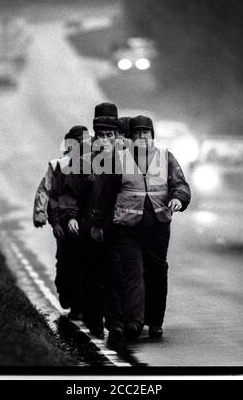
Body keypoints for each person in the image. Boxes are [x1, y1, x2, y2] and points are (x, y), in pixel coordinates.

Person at [91, 115, 191, 341]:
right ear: (131, 137)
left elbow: (181, 185)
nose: (141, 137)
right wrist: (97, 225)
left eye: (145, 133)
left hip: (158, 226)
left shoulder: (166, 158)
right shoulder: (119, 159)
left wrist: (179, 199)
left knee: (157, 272)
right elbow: (106, 196)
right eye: (136, 134)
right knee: (133, 272)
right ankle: (135, 322)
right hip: (128, 228)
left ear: (152, 136)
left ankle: (155, 322)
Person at [58, 103, 120, 338]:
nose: (105, 139)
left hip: (116, 229)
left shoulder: (128, 159)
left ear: (116, 134)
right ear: (95, 133)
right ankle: (95, 323)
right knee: (92, 277)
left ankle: (114, 322)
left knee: (115, 277)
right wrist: (71, 217)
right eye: (101, 134)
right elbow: (69, 192)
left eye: (110, 134)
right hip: (89, 230)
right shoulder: (83, 160)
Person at [47, 125, 90, 318]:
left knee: (84, 265)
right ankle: (69, 299)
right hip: (65, 225)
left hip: (84, 224)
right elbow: (52, 197)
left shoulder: (93, 165)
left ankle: (80, 306)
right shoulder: (60, 167)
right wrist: (55, 223)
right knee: (65, 265)